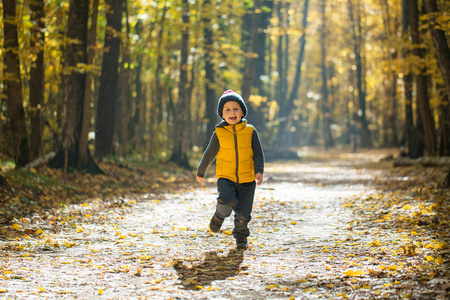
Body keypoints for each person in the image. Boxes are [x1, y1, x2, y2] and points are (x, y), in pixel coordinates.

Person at [196, 90, 264, 250]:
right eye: (227, 109)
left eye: (236, 109)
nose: (232, 112)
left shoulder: (250, 131)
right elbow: (209, 153)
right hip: (226, 177)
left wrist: (259, 170)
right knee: (226, 199)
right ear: (222, 114)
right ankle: (219, 216)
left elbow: (258, 153)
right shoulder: (219, 133)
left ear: (242, 112)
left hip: (247, 179)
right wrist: (201, 171)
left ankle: (241, 238)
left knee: (243, 214)